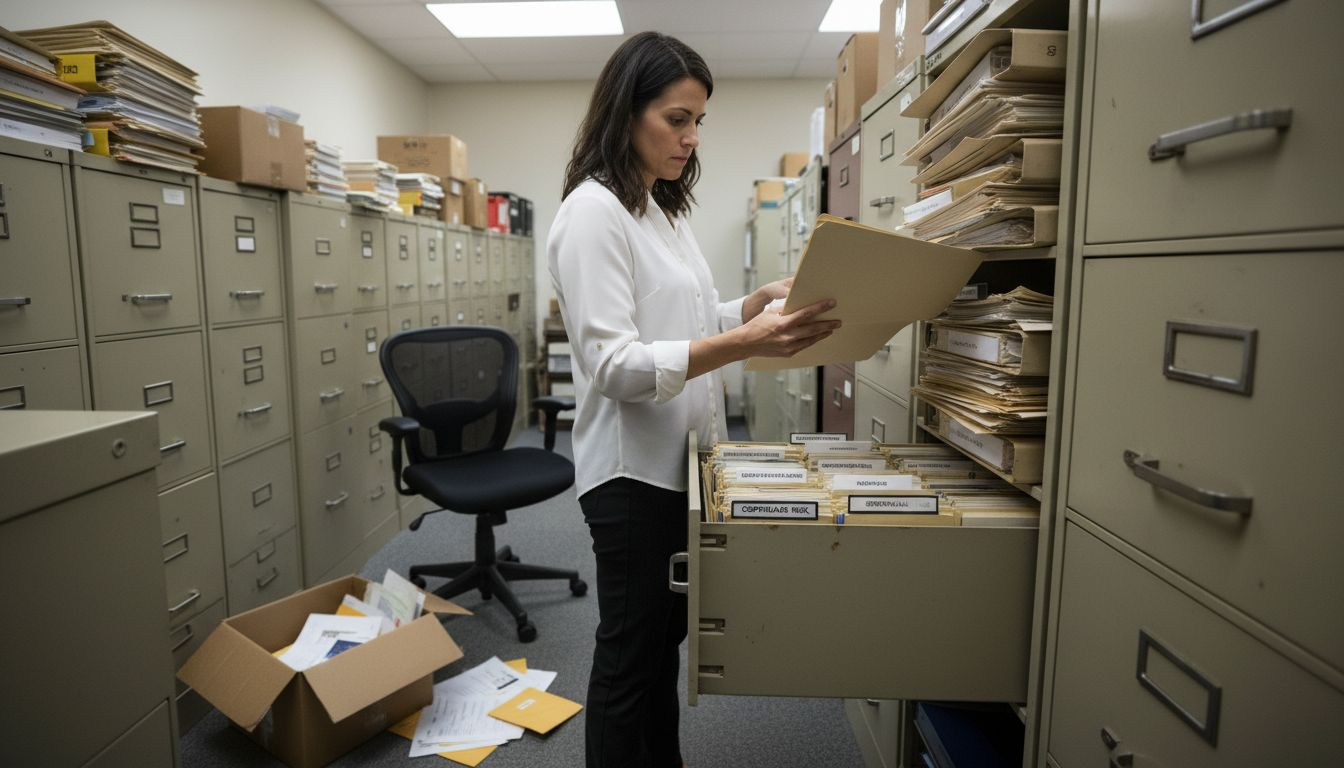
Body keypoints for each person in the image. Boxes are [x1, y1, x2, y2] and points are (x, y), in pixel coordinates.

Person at [548, 31, 840, 768]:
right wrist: (747, 345)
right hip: (630, 476)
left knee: (660, 650)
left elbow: (685, 322)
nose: (691, 136)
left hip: (680, 467)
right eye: (677, 118)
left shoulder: (660, 210)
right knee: (628, 659)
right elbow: (615, 363)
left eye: (699, 120)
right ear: (626, 112)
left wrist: (752, 306)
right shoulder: (594, 213)